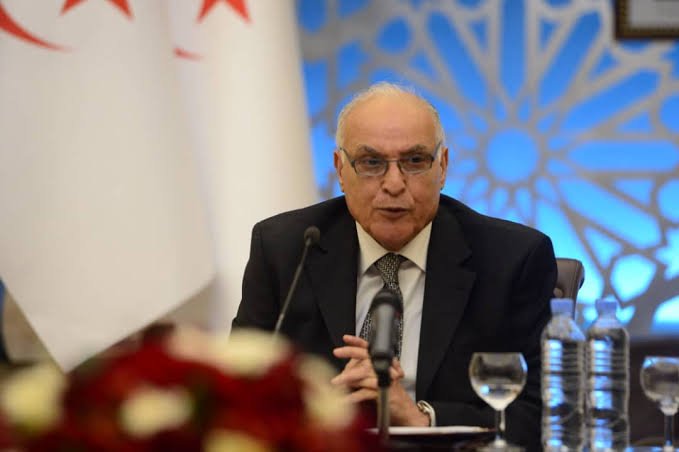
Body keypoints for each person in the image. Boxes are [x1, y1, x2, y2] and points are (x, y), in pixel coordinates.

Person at [232, 82, 556, 450]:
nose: (394, 184)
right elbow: (239, 391)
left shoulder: (512, 260)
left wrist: (420, 417)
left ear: (443, 167)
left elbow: (542, 413)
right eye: (371, 163)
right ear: (340, 170)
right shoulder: (287, 248)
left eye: (415, 161)